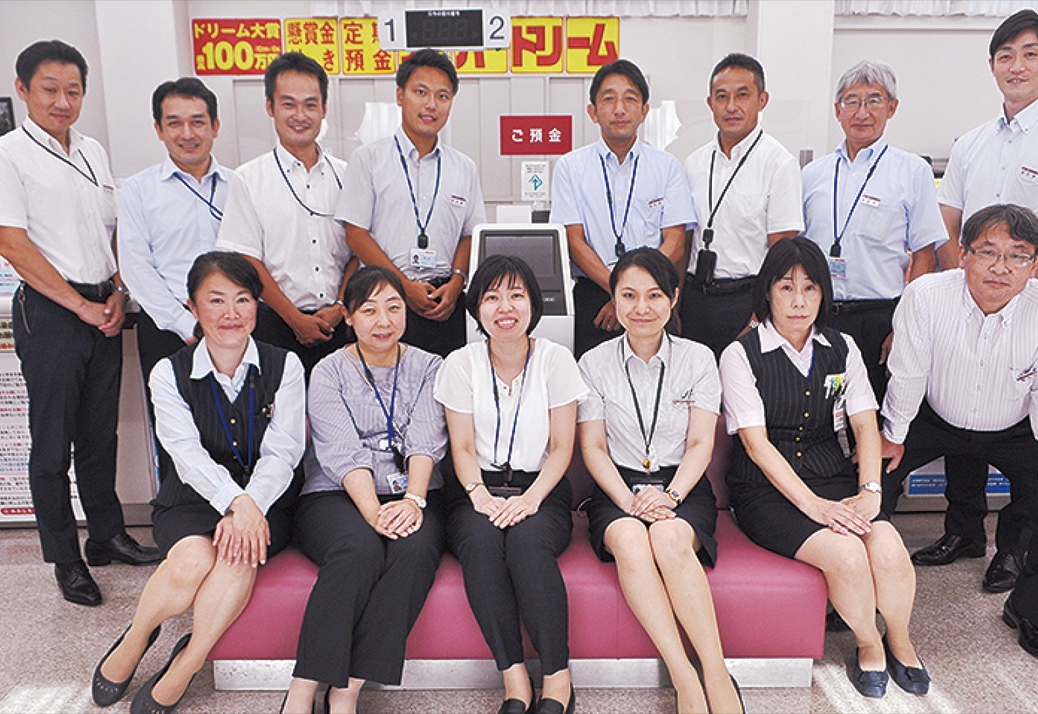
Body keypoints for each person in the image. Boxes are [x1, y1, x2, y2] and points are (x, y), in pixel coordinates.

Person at [920, 10, 1038, 593]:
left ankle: (1014, 547)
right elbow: (947, 222)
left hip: (1028, 297)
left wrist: (1010, 281)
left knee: (1021, 417)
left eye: (1029, 54)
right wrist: (964, 282)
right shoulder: (971, 143)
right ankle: (963, 530)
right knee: (962, 407)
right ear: (992, 65)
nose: (1016, 66)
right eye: (1005, 56)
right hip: (966, 293)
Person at [0, 39, 158, 607]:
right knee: (52, 443)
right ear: (22, 89)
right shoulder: (4, 156)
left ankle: (106, 535)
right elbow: (13, 244)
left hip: (103, 307)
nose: (62, 101)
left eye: (73, 91)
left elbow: (112, 232)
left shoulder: (92, 151)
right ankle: (65, 558)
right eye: (50, 89)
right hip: (52, 312)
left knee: (100, 435)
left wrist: (118, 292)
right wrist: (80, 306)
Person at [880, 204, 1038, 660]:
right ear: (963, 255)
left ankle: (1031, 613)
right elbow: (908, 373)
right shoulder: (925, 295)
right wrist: (892, 434)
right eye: (988, 252)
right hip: (931, 416)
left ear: (1035, 265)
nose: (1001, 267)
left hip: (1015, 427)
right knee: (868, 478)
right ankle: (858, 595)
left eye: (1018, 255)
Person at [90, 251, 305, 713]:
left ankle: (187, 661)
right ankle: (137, 637)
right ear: (192, 305)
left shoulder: (285, 366)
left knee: (236, 554)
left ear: (257, 305)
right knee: (191, 562)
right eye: (216, 300)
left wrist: (249, 506)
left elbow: (284, 451)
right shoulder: (168, 372)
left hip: (267, 501)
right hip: (191, 497)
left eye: (242, 299)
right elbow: (185, 455)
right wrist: (235, 504)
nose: (231, 313)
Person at [720, 237, 929, 698]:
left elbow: (866, 425)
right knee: (847, 554)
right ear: (767, 292)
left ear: (823, 294)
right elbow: (755, 444)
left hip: (834, 478)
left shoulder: (842, 347)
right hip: (766, 492)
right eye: (786, 287)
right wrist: (815, 507)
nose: (798, 301)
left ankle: (900, 640)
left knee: (889, 549)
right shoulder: (740, 354)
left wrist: (870, 490)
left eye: (810, 288)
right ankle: (868, 643)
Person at [578, 248, 743, 713]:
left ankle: (716, 671)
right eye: (629, 295)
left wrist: (669, 495)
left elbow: (700, 444)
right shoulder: (592, 363)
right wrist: (629, 501)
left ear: (673, 298)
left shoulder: (698, 359)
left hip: (681, 485)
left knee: (669, 539)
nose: (642, 308)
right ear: (613, 300)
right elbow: (593, 448)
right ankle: (684, 676)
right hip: (617, 488)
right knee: (632, 541)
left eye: (654, 295)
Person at [282, 267, 447, 714]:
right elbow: (341, 451)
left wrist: (413, 500)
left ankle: (348, 689)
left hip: (413, 492)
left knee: (415, 550)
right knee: (358, 549)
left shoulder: (431, 367)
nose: (384, 321)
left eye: (394, 307)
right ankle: (302, 689)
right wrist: (373, 512)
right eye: (370, 310)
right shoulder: (328, 371)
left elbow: (425, 440)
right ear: (349, 317)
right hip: (336, 492)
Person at [435, 255, 587, 714]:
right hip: (474, 489)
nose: (505, 307)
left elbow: (562, 447)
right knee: (481, 545)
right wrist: (480, 496)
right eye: (492, 297)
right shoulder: (460, 364)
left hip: (541, 488)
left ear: (533, 304)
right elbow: (462, 448)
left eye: (516, 295)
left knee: (526, 545)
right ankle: (514, 679)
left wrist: (530, 499)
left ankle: (557, 678)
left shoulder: (556, 360)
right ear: (477, 308)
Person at [800, 60, 947, 402]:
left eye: (874, 100)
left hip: (881, 319)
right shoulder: (813, 174)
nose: (862, 112)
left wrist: (903, 328)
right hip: (820, 314)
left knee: (875, 410)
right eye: (852, 101)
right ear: (837, 110)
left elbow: (925, 256)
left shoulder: (913, 171)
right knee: (818, 409)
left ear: (892, 108)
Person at [119, 76, 231, 484]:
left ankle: (241, 512)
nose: (187, 133)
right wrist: (189, 326)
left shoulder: (239, 185)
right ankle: (178, 514)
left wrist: (227, 322)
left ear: (215, 126)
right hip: (169, 332)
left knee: (236, 428)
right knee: (174, 431)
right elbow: (136, 267)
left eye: (198, 122)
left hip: (235, 328)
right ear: (159, 129)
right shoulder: (138, 190)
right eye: (174, 123)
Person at [338, 49, 486, 357]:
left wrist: (457, 282)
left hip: (445, 303)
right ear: (400, 96)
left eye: (443, 96)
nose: (431, 105)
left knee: (445, 383)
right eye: (421, 92)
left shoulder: (464, 167)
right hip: (384, 300)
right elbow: (356, 234)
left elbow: (470, 234)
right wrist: (403, 286)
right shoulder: (368, 159)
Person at [215, 52, 353, 376]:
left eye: (310, 104)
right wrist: (294, 318)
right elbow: (247, 259)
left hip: (340, 325)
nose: (300, 115)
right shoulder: (248, 179)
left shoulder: (347, 176)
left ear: (324, 108)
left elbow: (358, 251)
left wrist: (340, 307)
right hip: (275, 326)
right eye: (288, 104)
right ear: (270, 107)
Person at [551, 58, 695, 357]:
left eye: (630, 99)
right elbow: (573, 242)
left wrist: (635, 293)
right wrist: (619, 292)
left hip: (653, 295)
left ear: (644, 111)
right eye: (608, 99)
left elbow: (676, 242)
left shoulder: (667, 166)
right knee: (592, 377)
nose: (619, 109)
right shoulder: (570, 167)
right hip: (594, 295)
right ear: (593, 112)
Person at [682, 53, 802, 358]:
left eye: (742, 95)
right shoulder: (695, 163)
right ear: (710, 103)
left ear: (762, 100)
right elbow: (686, 240)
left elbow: (783, 252)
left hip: (746, 300)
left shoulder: (779, 164)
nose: (731, 106)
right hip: (695, 298)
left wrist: (759, 315)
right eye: (722, 96)